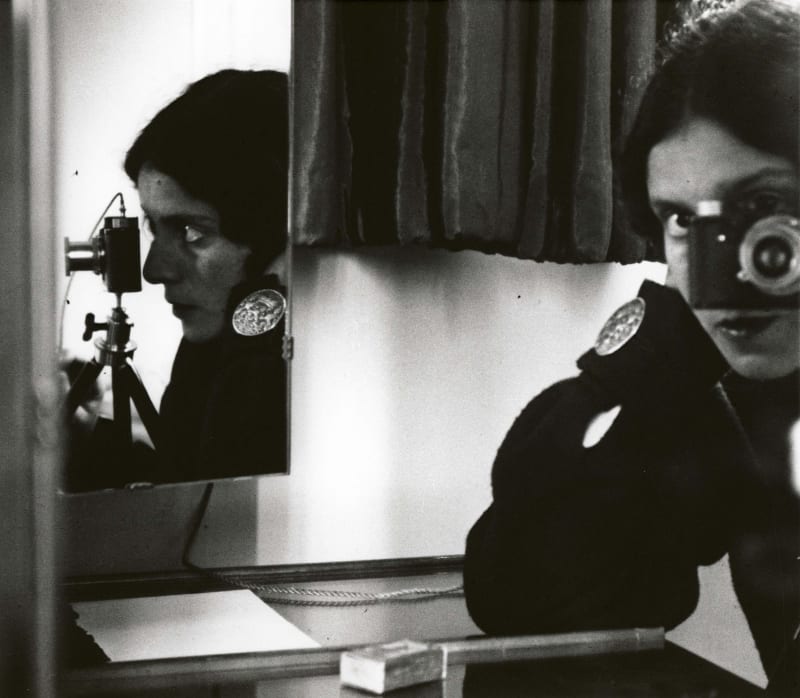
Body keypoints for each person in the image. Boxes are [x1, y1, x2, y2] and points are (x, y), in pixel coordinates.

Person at [463, 0, 799, 691]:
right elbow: (521, 602)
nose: (715, 268)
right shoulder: (737, 387)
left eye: (762, 203)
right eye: (681, 219)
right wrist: (637, 374)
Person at [66, 69, 289, 489]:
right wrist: (81, 438)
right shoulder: (208, 342)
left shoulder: (274, 366)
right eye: (153, 227)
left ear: (276, 236)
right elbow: (187, 477)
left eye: (191, 231)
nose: (153, 270)